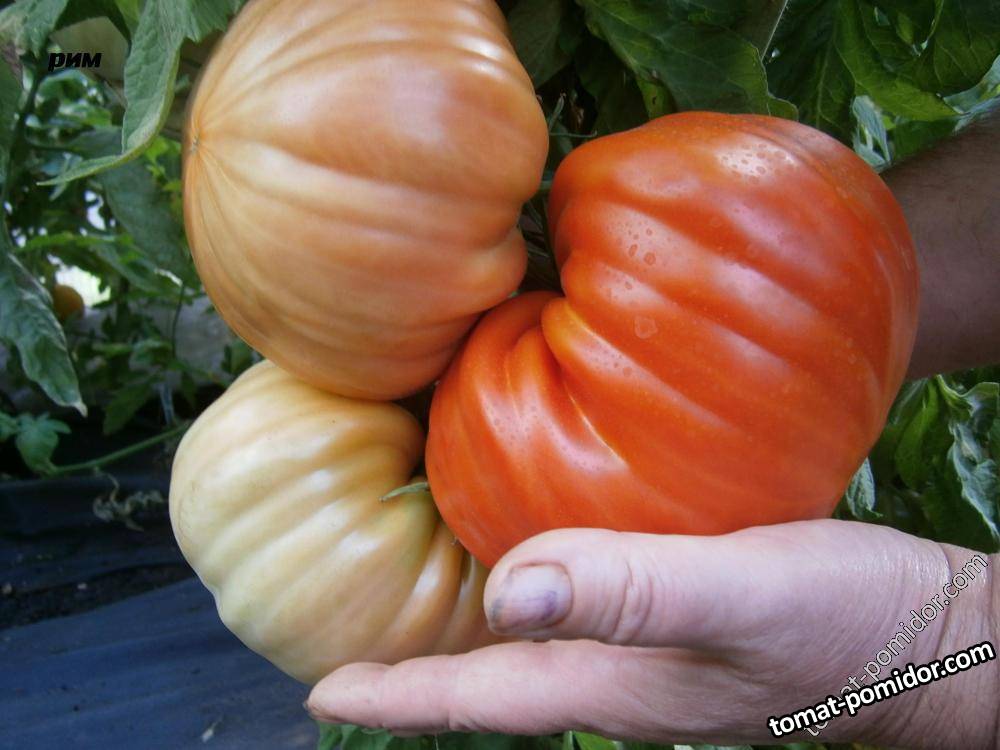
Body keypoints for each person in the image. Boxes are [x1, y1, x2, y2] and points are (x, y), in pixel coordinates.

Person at [307, 109, 1000, 749]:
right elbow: (782, 259)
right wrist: (939, 642)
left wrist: (941, 649)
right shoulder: (666, 197)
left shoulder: (478, 456)